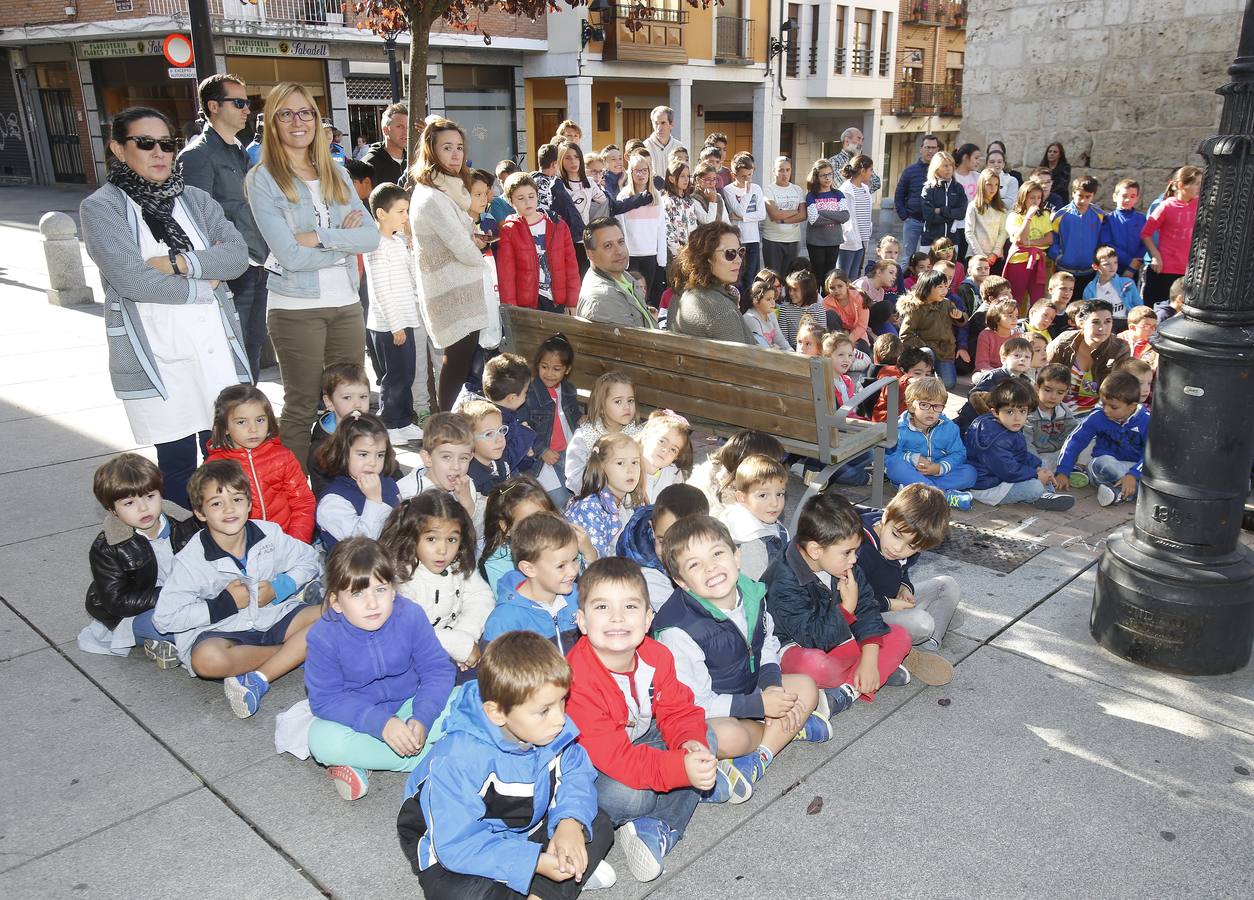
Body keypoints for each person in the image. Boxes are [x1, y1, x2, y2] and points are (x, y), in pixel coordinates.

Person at [81, 106, 251, 509]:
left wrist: (179, 263)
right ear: (118, 149)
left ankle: (227, 530)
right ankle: (193, 531)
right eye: (145, 143)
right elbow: (133, 281)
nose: (159, 153)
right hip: (158, 354)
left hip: (213, 346)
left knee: (226, 458)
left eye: (167, 144)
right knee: (176, 466)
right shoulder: (102, 208)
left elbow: (236, 256)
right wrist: (203, 284)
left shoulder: (196, 199)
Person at [397, 631, 617, 896]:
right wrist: (533, 862)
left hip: (523, 824)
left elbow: (576, 774)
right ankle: (555, 880)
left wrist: (569, 823)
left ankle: (547, 880)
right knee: (461, 894)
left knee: (598, 822)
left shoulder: (551, 729)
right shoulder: (458, 759)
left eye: (563, 701)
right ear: (497, 713)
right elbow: (456, 845)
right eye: (545, 710)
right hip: (453, 845)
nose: (560, 719)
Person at [566, 558, 729, 883]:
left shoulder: (656, 655)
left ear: (648, 618)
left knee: (705, 738)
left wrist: (689, 743)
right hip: (593, 770)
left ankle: (655, 826)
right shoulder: (577, 679)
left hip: (635, 741)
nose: (617, 617)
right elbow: (618, 760)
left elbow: (678, 710)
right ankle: (681, 797)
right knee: (634, 795)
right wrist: (680, 768)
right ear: (582, 621)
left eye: (630, 606)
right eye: (602, 607)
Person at [246, 83, 379, 470]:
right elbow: (289, 256)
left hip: (346, 304)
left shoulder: (336, 173)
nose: (297, 121)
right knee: (303, 405)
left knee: (350, 405)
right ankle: (294, 494)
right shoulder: (263, 179)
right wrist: (343, 244)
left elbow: (370, 237)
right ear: (272, 123)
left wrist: (319, 237)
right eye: (285, 114)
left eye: (305, 112)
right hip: (295, 307)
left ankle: (343, 484)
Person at [654, 516, 828, 790]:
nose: (711, 567)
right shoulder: (679, 630)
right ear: (681, 581)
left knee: (806, 686)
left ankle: (761, 752)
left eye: (717, 554)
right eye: (694, 564)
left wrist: (772, 687)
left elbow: (767, 643)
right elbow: (696, 702)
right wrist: (761, 706)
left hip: (750, 687)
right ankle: (780, 735)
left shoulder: (751, 593)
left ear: (737, 556)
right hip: (710, 711)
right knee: (722, 737)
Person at [153, 459, 321, 716]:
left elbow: (309, 559)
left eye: (237, 499)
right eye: (216, 503)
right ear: (200, 512)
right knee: (206, 661)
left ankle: (262, 674)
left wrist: (280, 587)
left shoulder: (269, 534)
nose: (229, 509)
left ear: (250, 504)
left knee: (335, 614)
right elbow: (165, 618)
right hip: (224, 632)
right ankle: (294, 654)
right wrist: (225, 604)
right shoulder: (190, 560)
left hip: (274, 617)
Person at [763, 492, 940, 719]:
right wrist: (847, 608)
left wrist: (869, 659)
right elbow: (813, 639)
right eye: (848, 553)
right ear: (815, 550)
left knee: (900, 637)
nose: (855, 559)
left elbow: (867, 608)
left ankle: (844, 691)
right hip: (795, 646)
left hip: (839, 639)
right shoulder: (784, 581)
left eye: (856, 551)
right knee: (816, 666)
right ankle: (867, 677)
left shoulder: (843, 563)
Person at [304, 536, 455, 801]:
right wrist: (380, 723)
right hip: (359, 720)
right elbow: (325, 699)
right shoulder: (323, 637)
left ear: (394, 590)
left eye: (381, 589)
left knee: (474, 699)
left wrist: (422, 717)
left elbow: (437, 669)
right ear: (336, 602)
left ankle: (365, 759)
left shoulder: (410, 615)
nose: (372, 603)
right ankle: (433, 758)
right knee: (321, 741)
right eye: (357, 593)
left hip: (411, 704)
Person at [179, 75, 270, 384]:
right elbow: (195, 221)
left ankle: (249, 408)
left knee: (252, 348)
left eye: (248, 102)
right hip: (230, 273)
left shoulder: (239, 150)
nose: (247, 110)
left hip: (257, 264)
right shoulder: (197, 156)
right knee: (232, 354)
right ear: (214, 106)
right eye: (239, 103)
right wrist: (214, 268)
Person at [79, 453, 201, 667]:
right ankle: (170, 642)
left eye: (150, 497)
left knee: (213, 614)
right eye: (129, 503)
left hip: (187, 599)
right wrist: (170, 594)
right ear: (112, 510)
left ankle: (166, 645)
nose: (143, 508)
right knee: (172, 626)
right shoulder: (108, 547)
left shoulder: (185, 524)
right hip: (139, 612)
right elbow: (119, 602)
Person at [408, 118, 491, 412]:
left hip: (460, 288)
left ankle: (453, 420)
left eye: (459, 147)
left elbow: (460, 237)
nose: (455, 154)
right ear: (431, 150)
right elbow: (460, 246)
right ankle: (447, 424)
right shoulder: (432, 195)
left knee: (460, 363)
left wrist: (473, 242)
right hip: (450, 292)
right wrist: (482, 257)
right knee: (455, 364)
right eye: (447, 148)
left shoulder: (449, 188)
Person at [381, 493, 494, 672]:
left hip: (459, 646)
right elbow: (407, 630)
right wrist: (460, 645)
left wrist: (467, 634)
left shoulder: (457, 562)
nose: (442, 550)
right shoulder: (400, 576)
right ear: (412, 537)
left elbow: (481, 596)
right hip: (414, 662)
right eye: (431, 539)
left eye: (451, 540)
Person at [204, 384, 315, 542]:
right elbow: (214, 513)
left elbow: (303, 502)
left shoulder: (283, 457)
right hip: (242, 546)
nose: (253, 429)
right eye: (241, 422)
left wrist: (295, 543)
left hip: (286, 540)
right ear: (225, 427)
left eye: (260, 420)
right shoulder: (215, 467)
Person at [857, 484, 960, 654]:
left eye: (912, 546)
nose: (898, 548)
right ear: (886, 516)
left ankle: (930, 643)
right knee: (922, 623)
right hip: (864, 615)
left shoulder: (907, 538)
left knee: (947, 584)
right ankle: (916, 637)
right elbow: (849, 600)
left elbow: (900, 570)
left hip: (890, 601)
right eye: (896, 535)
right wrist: (889, 604)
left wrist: (904, 587)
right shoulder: (858, 546)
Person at [358, 183, 424, 445]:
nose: (406, 216)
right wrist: (395, 325)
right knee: (394, 375)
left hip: (404, 319)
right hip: (388, 325)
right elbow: (381, 291)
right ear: (381, 213)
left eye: (407, 211)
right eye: (400, 211)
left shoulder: (397, 241)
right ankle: (388, 422)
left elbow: (410, 276)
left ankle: (404, 420)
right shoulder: (376, 245)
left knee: (407, 373)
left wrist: (409, 244)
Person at [964, 380, 1076, 510]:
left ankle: (1047, 494)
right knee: (1034, 487)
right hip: (989, 487)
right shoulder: (993, 438)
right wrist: (1035, 474)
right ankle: (1041, 494)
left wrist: (1037, 467)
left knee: (1041, 463)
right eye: (1010, 412)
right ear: (995, 412)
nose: (1017, 418)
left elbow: (1021, 454)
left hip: (1002, 478)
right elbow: (1008, 471)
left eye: (1022, 411)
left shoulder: (1009, 426)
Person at [483, 512, 582, 652]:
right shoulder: (506, 620)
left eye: (575, 559)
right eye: (561, 566)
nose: (573, 572)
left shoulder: (580, 598)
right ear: (529, 569)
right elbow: (493, 664)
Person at [1053, 369, 1149, 507]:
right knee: (1105, 463)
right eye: (1104, 404)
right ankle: (1131, 492)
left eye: (1113, 407)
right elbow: (1075, 441)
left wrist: (1133, 474)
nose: (1106, 410)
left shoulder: (1147, 421)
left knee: (1153, 474)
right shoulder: (1098, 417)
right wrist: (1063, 471)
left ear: (1132, 407)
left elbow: (1152, 455)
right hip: (1102, 467)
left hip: (1133, 467)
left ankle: (1116, 493)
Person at [885, 376, 977, 508]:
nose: (931, 411)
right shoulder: (899, 428)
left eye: (937, 406)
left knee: (970, 473)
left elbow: (958, 453)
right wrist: (912, 458)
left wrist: (940, 467)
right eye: (924, 405)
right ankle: (943, 496)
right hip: (911, 474)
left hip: (938, 474)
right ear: (911, 406)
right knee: (895, 467)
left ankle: (920, 493)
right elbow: (889, 456)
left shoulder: (950, 428)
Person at [616, 483, 710, 612]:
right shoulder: (648, 578)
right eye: (663, 541)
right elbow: (681, 616)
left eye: (683, 544)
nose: (671, 553)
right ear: (652, 528)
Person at [315, 412, 401, 548]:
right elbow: (364, 544)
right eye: (363, 454)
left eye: (380, 455)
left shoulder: (387, 482)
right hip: (356, 560)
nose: (373, 462)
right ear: (343, 453)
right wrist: (373, 500)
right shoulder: (333, 502)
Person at [497, 172, 580, 313]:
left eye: (531, 196)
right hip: (527, 305)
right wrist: (512, 311)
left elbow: (571, 266)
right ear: (510, 201)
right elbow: (506, 276)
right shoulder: (509, 231)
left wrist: (573, 301)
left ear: (537, 196)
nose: (527, 202)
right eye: (520, 198)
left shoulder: (558, 225)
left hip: (557, 302)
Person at [519, 334, 585, 505]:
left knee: (578, 494)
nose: (549, 374)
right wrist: (541, 450)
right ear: (537, 365)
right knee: (560, 501)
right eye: (544, 367)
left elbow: (571, 415)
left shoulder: (568, 389)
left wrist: (580, 419)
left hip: (568, 451)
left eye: (556, 369)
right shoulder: (530, 393)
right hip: (544, 458)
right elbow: (524, 429)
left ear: (567, 370)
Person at [668, 222, 755, 344]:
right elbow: (741, 355)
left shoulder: (680, 295)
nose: (739, 260)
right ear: (707, 257)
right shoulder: (721, 311)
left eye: (740, 252)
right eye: (730, 253)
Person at [565, 433, 646, 559]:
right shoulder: (589, 508)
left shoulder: (631, 501)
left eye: (635, 462)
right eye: (620, 463)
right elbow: (594, 564)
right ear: (602, 467)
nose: (630, 470)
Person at [1045, 298, 1130, 415]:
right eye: (1095, 322)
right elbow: (1045, 381)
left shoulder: (1120, 349)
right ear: (1081, 323)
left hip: (1101, 412)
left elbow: (1117, 391)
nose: (1102, 328)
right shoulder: (1062, 344)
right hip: (1059, 411)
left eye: (1107, 321)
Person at [718, 454, 789, 582]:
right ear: (742, 498)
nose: (775, 503)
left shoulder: (762, 517)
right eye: (763, 495)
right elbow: (756, 588)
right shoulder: (751, 543)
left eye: (779, 494)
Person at [1141, 165, 1202, 305]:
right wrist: (1156, 256)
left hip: (1189, 271)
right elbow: (1146, 233)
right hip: (1165, 270)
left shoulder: (1200, 205)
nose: (1200, 187)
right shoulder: (1166, 206)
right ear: (1181, 185)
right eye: (1197, 183)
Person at [897, 269, 966, 389]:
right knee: (927, 353)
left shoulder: (946, 304)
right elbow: (905, 335)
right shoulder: (916, 308)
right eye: (940, 287)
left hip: (945, 352)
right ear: (927, 288)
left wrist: (960, 317)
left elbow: (962, 321)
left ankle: (932, 377)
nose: (944, 291)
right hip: (925, 352)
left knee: (948, 384)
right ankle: (923, 376)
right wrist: (925, 346)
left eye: (946, 287)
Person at [1003, 180, 1054, 313]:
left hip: (1038, 261)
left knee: (1038, 299)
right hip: (1019, 262)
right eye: (1032, 197)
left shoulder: (1044, 215)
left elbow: (1049, 239)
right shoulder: (1014, 217)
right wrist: (1028, 218)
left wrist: (1029, 243)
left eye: (1038, 197)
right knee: (1016, 299)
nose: (1036, 201)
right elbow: (1020, 239)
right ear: (1023, 198)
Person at [1049, 175, 1104, 295]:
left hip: (1090, 271)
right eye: (1080, 196)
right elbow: (1052, 240)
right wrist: (1059, 257)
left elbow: (1102, 241)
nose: (1083, 200)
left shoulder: (1099, 215)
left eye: (1088, 197)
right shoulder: (1061, 215)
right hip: (1064, 271)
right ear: (1073, 193)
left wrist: (1096, 259)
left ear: (1093, 195)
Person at [722, 152, 766, 297]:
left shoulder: (757, 188)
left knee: (752, 276)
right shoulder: (729, 190)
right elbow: (739, 210)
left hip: (753, 239)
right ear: (734, 175)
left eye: (750, 175)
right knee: (739, 276)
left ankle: (749, 304)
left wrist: (743, 218)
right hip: (739, 240)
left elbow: (762, 214)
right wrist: (747, 192)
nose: (747, 180)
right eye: (743, 176)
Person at [1025, 363, 1082, 474]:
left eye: (1060, 393)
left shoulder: (1063, 411)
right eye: (1047, 390)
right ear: (1037, 387)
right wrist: (1037, 465)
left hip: (1057, 454)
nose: (1053, 397)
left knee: (1089, 439)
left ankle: (1076, 469)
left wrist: (1070, 455)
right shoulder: (1029, 413)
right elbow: (1026, 445)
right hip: (1036, 456)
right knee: (1043, 463)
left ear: (1066, 392)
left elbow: (1073, 434)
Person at [894, 133, 942, 259]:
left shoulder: (942, 172)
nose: (930, 151)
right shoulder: (910, 171)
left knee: (932, 258)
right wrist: (905, 216)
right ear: (921, 149)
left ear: (937, 150)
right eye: (927, 147)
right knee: (908, 258)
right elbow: (899, 195)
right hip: (913, 221)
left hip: (934, 223)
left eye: (933, 148)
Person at [804, 158, 850, 285]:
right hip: (816, 242)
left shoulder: (838, 194)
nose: (827, 178)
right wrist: (836, 217)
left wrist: (823, 212)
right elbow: (814, 219)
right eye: (823, 175)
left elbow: (845, 216)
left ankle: (828, 297)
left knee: (830, 276)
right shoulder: (811, 196)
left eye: (830, 174)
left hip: (834, 241)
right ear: (816, 177)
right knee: (817, 275)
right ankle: (816, 297)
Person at [761, 156, 806, 275]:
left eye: (787, 170)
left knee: (790, 277)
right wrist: (795, 211)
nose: (784, 173)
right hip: (773, 240)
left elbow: (803, 215)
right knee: (773, 277)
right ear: (774, 171)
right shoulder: (768, 190)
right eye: (781, 170)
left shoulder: (797, 189)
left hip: (793, 240)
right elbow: (774, 215)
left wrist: (783, 220)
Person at [1084, 245, 1144, 328]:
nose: (1112, 267)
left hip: (1126, 322)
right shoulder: (1090, 289)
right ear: (1095, 266)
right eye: (1106, 264)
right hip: (1103, 324)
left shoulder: (1128, 283)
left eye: (1115, 262)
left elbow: (1139, 306)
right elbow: (1088, 312)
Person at [1098, 178, 1147, 280]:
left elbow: (1145, 243)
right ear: (1115, 197)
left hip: (1135, 270)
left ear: (1137, 199)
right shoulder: (1108, 219)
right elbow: (1106, 243)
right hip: (1112, 268)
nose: (1128, 200)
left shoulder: (1142, 219)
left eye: (1132, 196)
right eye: (1124, 196)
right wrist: (1129, 261)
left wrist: (1133, 267)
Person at [837, 154, 876, 280]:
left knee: (855, 276)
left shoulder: (865, 188)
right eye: (870, 170)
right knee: (843, 275)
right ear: (862, 170)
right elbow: (844, 217)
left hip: (862, 240)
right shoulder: (845, 190)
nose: (871, 173)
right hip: (848, 240)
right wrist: (848, 235)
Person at [920, 151, 966, 252]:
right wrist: (951, 216)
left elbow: (962, 213)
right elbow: (929, 215)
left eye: (951, 165)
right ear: (936, 168)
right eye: (945, 165)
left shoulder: (958, 188)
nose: (949, 168)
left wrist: (941, 210)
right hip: (931, 240)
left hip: (952, 240)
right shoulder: (928, 189)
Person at [964, 168, 1008, 267]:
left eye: (996, 185)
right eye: (989, 184)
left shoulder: (1001, 208)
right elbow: (969, 233)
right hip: (976, 257)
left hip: (996, 257)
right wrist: (981, 256)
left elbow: (1003, 232)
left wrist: (995, 253)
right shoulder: (973, 206)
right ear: (982, 185)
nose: (993, 188)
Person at [662, 158, 699, 268]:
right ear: (672, 178)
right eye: (682, 176)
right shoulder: (667, 202)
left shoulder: (689, 201)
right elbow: (668, 230)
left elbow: (694, 225)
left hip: (692, 251)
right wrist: (680, 252)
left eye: (688, 176)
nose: (686, 179)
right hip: (676, 256)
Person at [362, 102, 408, 188]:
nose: (405, 132)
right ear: (385, 130)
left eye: (407, 127)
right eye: (399, 126)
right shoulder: (369, 165)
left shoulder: (414, 162)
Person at [743, 271, 790, 350]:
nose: (773, 303)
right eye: (768, 299)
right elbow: (761, 347)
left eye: (773, 298)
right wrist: (775, 349)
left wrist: (790, 352)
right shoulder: (751, 318)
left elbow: (779, 338)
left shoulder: (771, 314)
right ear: (755, 300)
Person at [828, 126, 882, 194]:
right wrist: (864, 187)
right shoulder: (834, 161)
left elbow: (876, 183)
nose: (861, 144)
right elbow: (841, 186)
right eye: (858, 139)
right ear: (847, 141)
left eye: (862, 140)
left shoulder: (863, 161)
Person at [950, 143, 982, 257]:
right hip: (955, 224)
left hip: (972, 224)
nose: (978, 162)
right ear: (965, 157)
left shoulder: (978, 177)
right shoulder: (952, 176)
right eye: (976, 158)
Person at [643, 105, 679, 174]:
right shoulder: (645, 147)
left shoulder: (679, 147)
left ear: (671, 124)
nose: (659, 128)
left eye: (663, 123)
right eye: (656, 123)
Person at [984, 147, 1019, 212]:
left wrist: (987, 202)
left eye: (999, 162)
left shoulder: (1012, 180)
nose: (996, 164)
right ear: (986, 165)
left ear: (1003, 164)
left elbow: (1010, 203)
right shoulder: (980, 179)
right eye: (992, 162)